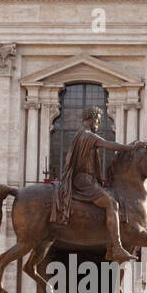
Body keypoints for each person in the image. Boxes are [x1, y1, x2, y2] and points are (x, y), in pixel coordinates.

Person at [52, 105, 141, 262]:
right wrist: (131, 148)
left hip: (87, 180)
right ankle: (117, 247)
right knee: (112, 204)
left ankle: (110, 246)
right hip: (84, 182)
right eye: (98, 121)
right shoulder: (87, 135)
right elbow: (109, 145)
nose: (98, 125)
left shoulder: (81, 135)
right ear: (91, 119)